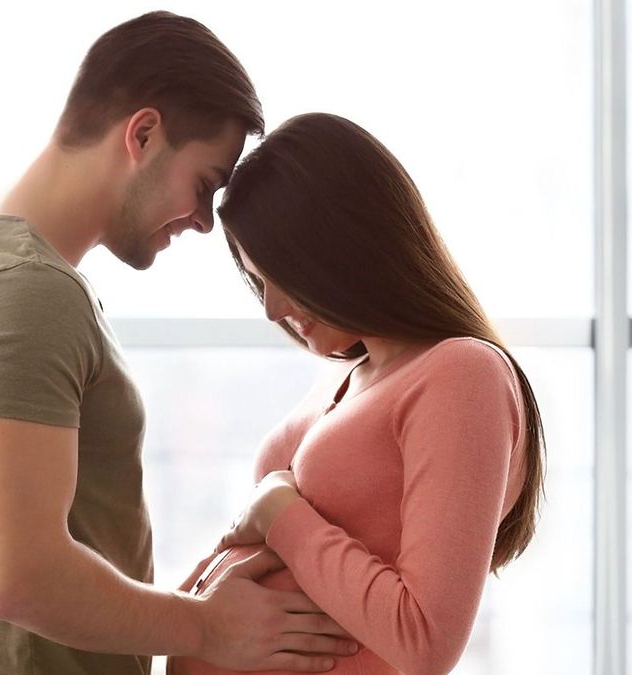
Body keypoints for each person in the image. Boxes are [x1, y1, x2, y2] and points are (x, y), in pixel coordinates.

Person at [0, 13, 359, 675]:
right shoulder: (26, 293)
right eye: (205, 184)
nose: (202, 222)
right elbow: (16, 575)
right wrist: (208, 628)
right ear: (143, 134)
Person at [169, 113, 547, 675]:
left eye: (283, 275)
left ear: (346, 243)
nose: (272, 308)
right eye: (258, 282)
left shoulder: (462, 374)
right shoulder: (348, 380)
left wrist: (280, 513)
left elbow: (424, 642)